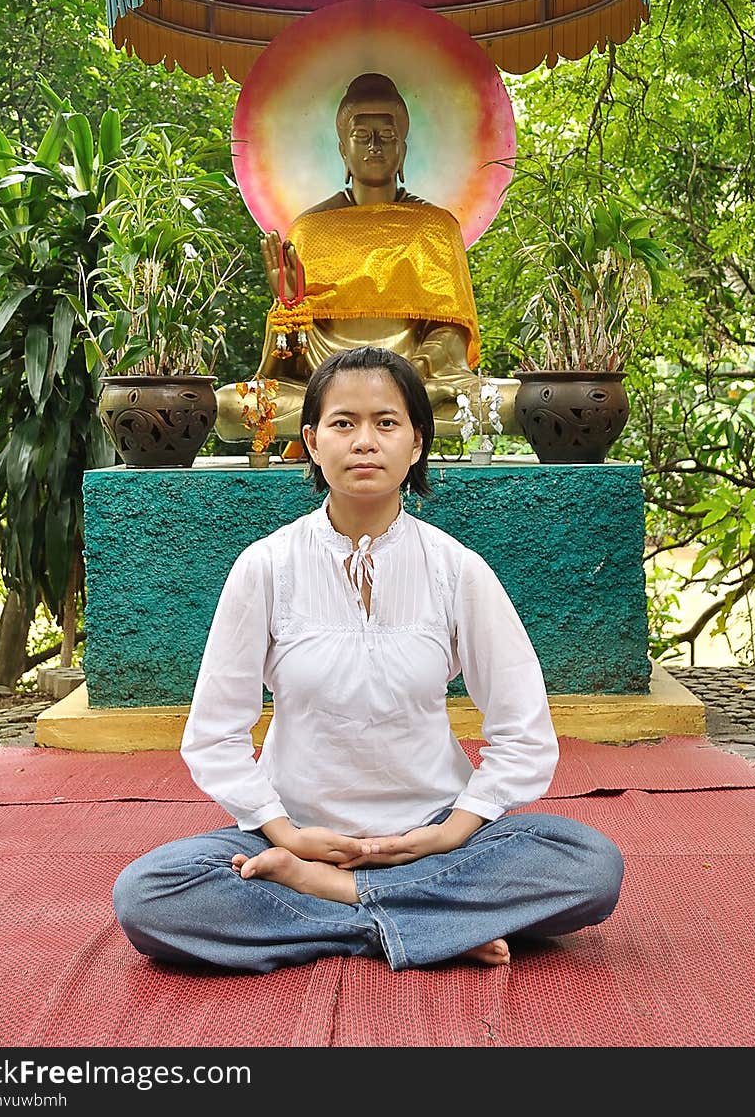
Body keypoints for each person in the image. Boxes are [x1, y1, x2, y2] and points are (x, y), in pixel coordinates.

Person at [113, 346, 624, 973]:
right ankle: (426, 924)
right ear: (310, 440)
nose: (364, 442)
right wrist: (286, 834)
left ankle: (339, 902)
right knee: (149, 893)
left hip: (434, 840)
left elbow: (522, 732)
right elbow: (215, 734)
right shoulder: (266, 567)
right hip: (295, 832)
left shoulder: (457, 570)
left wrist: (451, 832)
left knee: (589, 864)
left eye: (386, 423)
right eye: (342, 423)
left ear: (416, 444)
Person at [214, 72, 522, 442]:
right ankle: (372, 422)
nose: (375, 146)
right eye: (362, 137)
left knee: (514, 402)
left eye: (387, 136)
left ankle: (346, 426)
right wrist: (289, 308)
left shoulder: (435, 227)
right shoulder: (310, 230)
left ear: (403, 149)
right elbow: (290, 367)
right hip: (327, 387)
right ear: (343, 149)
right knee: (230, 407)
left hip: (416, 385)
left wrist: (409, 374)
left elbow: (450, 335)